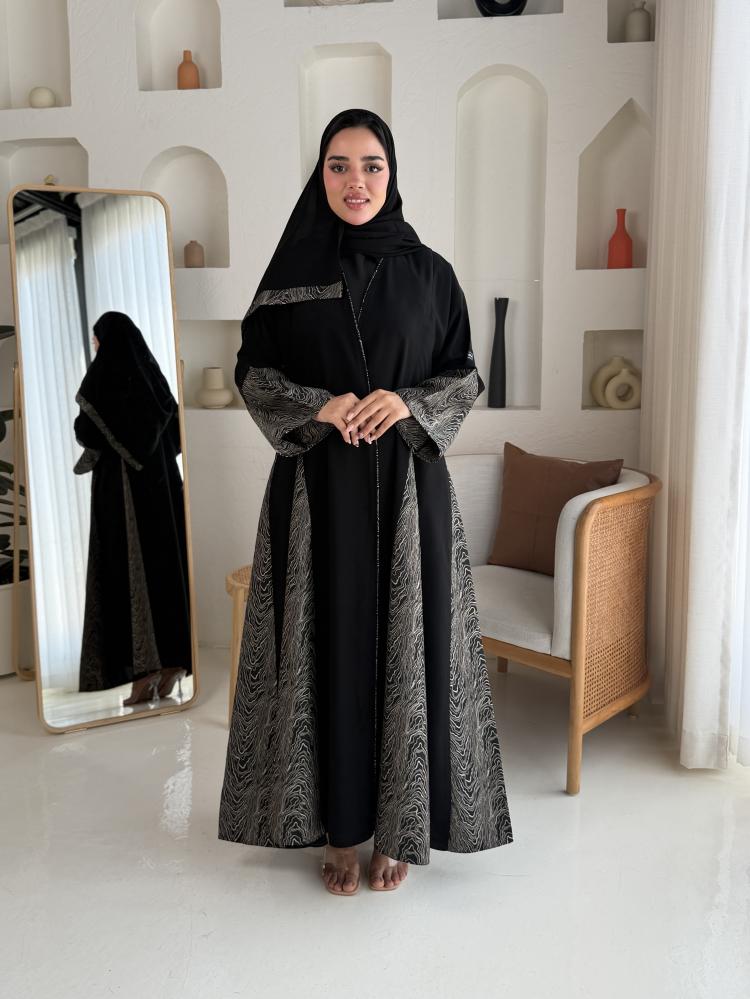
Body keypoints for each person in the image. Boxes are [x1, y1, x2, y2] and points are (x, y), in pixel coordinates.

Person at [218, 108, 513, 894]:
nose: (356, 181)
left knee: (406, 647)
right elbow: (253, 373)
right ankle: (339, 830)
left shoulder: (431, 274)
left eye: (372, 165)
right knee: (329, 646)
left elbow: (463, 375)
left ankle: (399, 826)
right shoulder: (291, 274)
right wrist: (320, 405)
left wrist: (405, 402)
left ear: (392, 173)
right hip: (318, 492)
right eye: (340, 165)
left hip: (409, 491)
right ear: (321, 175)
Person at [73, 311, 192, 705]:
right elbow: (176, 435)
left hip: (121, 493)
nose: (96, 346)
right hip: (163, 490)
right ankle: (172, 663)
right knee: (165, 571)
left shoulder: (104, 378)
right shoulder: (152, 379)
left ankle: (143, 674)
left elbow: (86, 430)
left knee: (126, 571)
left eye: (97, 339)